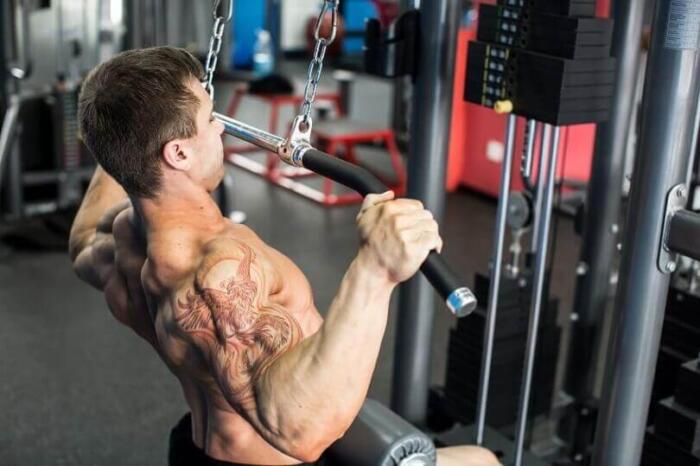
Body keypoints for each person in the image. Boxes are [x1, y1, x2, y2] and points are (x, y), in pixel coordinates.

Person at [69, 46, 500, 466]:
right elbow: (301, 434)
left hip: (197, 448)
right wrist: (376, 269)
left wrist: (121, 133)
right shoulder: (217, 272)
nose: (221, 127)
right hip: (278, 457)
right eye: (209, 117)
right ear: (178, 153)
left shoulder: (125, 239)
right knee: (482, 460)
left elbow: (82, 240)